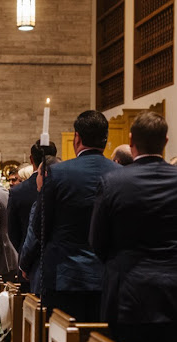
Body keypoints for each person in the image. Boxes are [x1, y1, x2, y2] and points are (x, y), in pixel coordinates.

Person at [90, 111, 177, 342]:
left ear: (131, 141)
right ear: (165, 142)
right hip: (174, 291)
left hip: (127, 293)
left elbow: (97, 240)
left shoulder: (113, 182)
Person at [29, 110, 120, 321]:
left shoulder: (58, 173)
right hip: (106, 277)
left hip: (64, 276)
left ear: (77, 138)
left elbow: (39, 225)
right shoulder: (120, 174)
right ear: (106, 139)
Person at [7, 140, 57, 255]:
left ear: (31, 159)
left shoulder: (17, 192)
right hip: (58, 258)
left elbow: (12, 232)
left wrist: (23, 252)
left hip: (28, 258)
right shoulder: (65, 186)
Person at [18, 155, 61, 288]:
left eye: (37, 175)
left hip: (43, 270)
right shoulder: (68, 200)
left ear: (44, 175)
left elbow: (33, 237)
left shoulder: (40, 204)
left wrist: (23, 265)